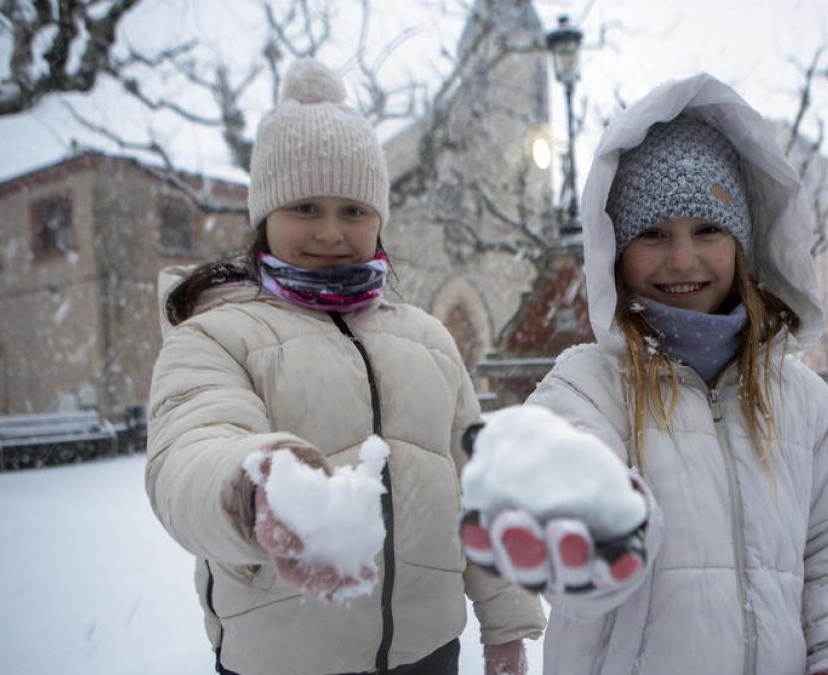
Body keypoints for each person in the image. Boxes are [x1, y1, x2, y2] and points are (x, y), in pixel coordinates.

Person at [460, 74, 828, 674]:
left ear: (742, 244)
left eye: (707, 230)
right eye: (653, 234)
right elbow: (572, 479)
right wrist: (589, 523)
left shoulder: (804, 404)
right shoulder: (584, 389)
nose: (683, 259)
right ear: (616, 251)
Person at [146, 57, 545, 675]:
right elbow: (189, 448)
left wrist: (506, 621)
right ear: (265, 216)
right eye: (305, 207)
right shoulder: (217, 334)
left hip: (428, 653)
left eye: (354, 211)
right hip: (284, 659)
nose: (331, 231)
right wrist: (254, 489)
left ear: (380, 219)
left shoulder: (430, 341)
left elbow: (478, 486)